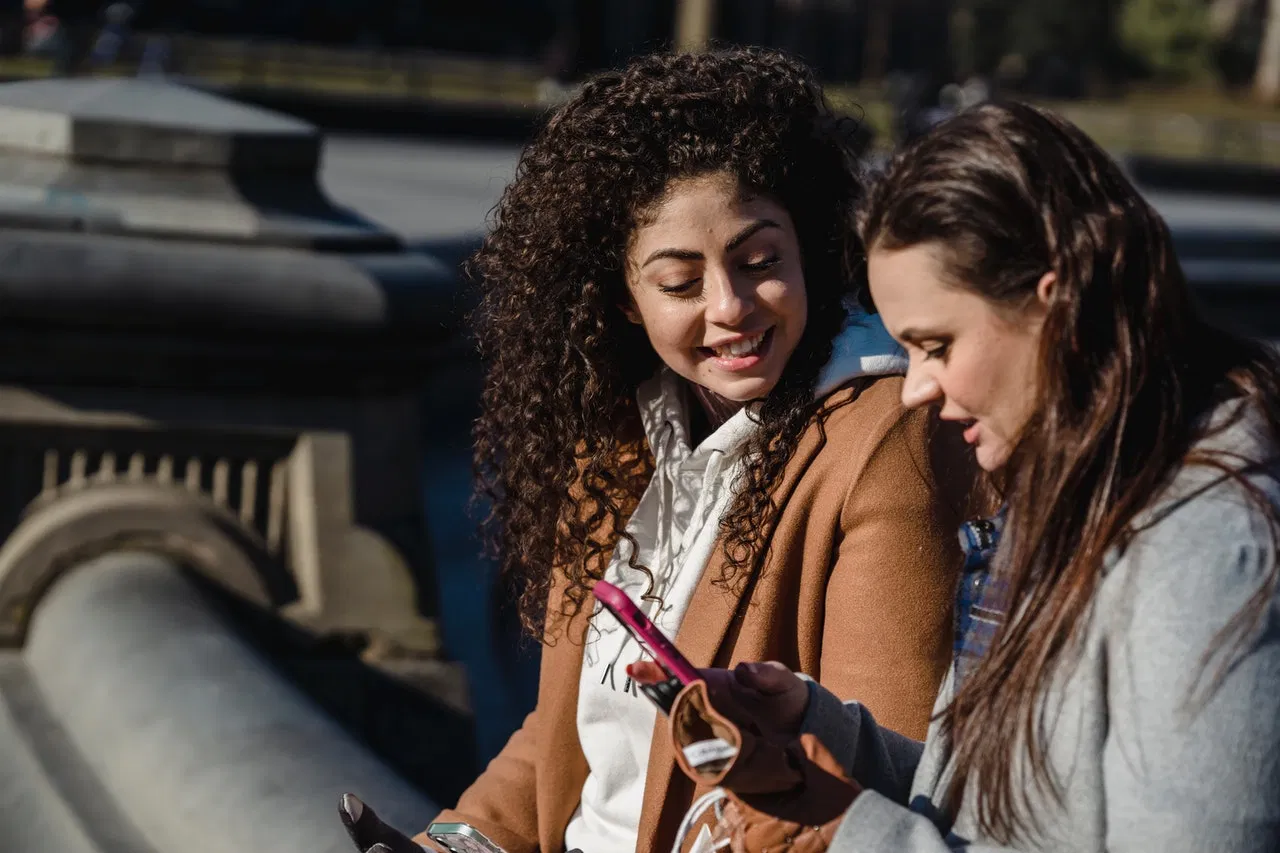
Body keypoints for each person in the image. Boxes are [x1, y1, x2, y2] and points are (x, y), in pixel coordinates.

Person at [652, 100, 1280, 853]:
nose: (915, 387)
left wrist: (847, 831)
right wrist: (818, 730)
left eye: (938, 345)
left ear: (1057, 307)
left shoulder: (1206, 548)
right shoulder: (1069, 483)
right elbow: (983, 809)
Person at [413, 48, 978, 853]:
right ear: (624, 298)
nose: (730, 306)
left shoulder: (887, 438)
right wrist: (453, 841)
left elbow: (870, 791)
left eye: (760, 263)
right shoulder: (620, 435)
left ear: (810, 246)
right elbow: (574, 727)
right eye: (681, 283)